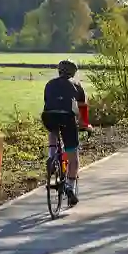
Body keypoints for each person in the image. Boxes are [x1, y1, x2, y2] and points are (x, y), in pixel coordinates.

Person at [41, 58, 87, 207]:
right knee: (73, 158)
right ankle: (69, 187)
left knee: (53, 128)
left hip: (49, 116)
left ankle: (52, 155)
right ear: (73, 73)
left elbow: (48, 104)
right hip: (67, 118)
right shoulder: (77, 86)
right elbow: (82, 110)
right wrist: (85, 125)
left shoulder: (49, 84)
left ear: (59, 71)